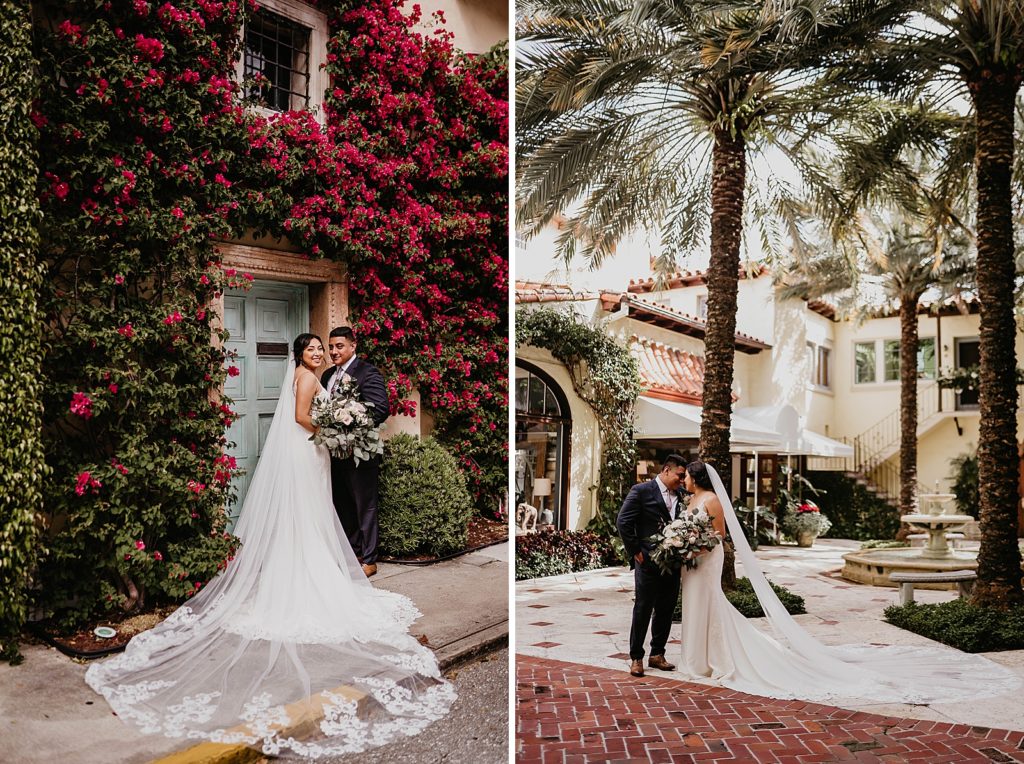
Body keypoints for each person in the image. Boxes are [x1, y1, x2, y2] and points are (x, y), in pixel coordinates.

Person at [85, 333, 454, 759]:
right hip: (309, 449)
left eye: (323, 349)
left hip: (313, 452)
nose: (320, 353)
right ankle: (308, 574)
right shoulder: (309, 378)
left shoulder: (319, 376)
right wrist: (332, 429)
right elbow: (301, 417)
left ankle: (307, 567)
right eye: (314, 349)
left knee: (313, 514)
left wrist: (336, 428)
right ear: (301, 354)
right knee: (309, 513)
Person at [677, 460, 1020, 704]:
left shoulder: (712, 500)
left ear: (697, 478)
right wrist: (681, 544)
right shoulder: (691, 499)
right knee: (697, 605)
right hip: (693, 561)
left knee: (712, 604)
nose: (684, 479)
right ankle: (697, 657)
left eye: (687, 475)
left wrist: (695, 545)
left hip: (707, 559)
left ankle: (715, 659)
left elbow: (719, 535)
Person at [321, 326, 389, 578]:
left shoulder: (367, 372)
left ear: (353, 346)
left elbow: (380, 409)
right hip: (334, 452)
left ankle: (370, 560)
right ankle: (353, 553)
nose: (334, 351)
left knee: (365, 506)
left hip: (360, 452)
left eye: (339, 346)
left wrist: (348, 423)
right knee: (342, 504)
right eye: (331, 347)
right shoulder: (328, 375)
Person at [616, 454, 687, 678]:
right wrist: (636, 552)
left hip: (672, 563)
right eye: (679, 475)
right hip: (647, 562)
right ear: (666, 470)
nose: (682, 480)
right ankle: (636, 657)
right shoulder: (641, 491)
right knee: (643, 608)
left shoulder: (682, 495)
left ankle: (657, 654)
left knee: (666, 609)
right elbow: (623, 521)